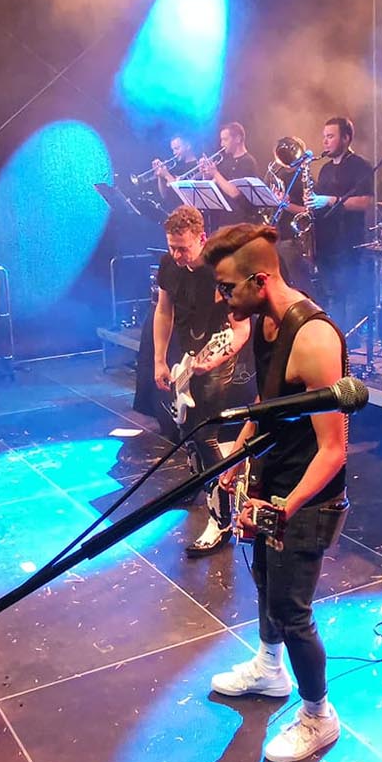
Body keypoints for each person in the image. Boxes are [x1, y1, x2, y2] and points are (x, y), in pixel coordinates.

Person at [203, 223, 349, 762]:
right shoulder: (266, 323)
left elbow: (333, 449)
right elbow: (268, 407)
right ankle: (268, 669)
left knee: (293, 610)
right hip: (273, 484)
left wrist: (287, 506)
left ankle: (318, 715)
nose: (221, 298)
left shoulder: (312, 338)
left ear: (260, 280)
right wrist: (236, 459)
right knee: (266, 581)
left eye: (227, 288)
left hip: (307, 497)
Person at [150, 206, 252, 554]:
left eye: (183, 248)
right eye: (172, 247)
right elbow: (164, 310)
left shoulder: (221, 270)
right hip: (187, 355)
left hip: (217, 355)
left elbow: (241, 329)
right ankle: (197, 484)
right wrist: (159, 359)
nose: (177, 255)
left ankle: (221, 520)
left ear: (202, 239)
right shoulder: (169, 265)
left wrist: (217, 359)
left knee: (206, 435)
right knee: (186, 427)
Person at [302, 116, 375, 329]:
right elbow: (319, 203)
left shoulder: (360, 165)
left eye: (331, 136)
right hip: (325, 243)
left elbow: (365, 202)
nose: (325, 141)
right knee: (328, 296)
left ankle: (346, 340)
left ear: (346, 138)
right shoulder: (325, 168)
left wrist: (329, 200)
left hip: (347, 244)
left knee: (346, 297)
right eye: (324, 136)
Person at [197, 121, 263, 226]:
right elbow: (213, 186)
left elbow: (234, 193)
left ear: (238, 139)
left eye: (225, 139)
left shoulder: (247, 162)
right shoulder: (226, 161)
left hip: (241, 222)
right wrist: (206, 174)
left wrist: (215, 173)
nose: (222, 144)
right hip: (224, 219)